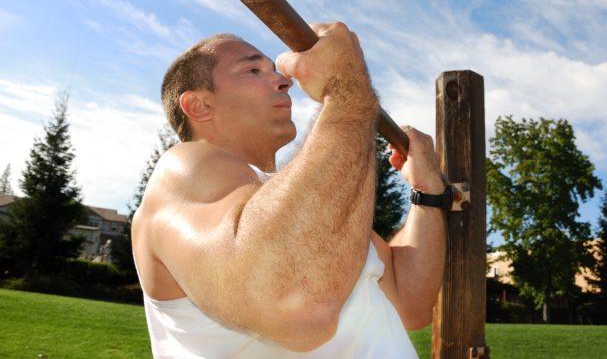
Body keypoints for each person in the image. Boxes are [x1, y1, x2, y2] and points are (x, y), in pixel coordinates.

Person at [132, 22, 446, 358]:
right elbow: (295, 305)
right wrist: (346, 86)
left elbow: (410, 304)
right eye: (253, 69)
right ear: (199, 105)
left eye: (274, 69)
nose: (284, 80)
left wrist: (426, 192)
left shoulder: (301, 207)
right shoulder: (183, 168)